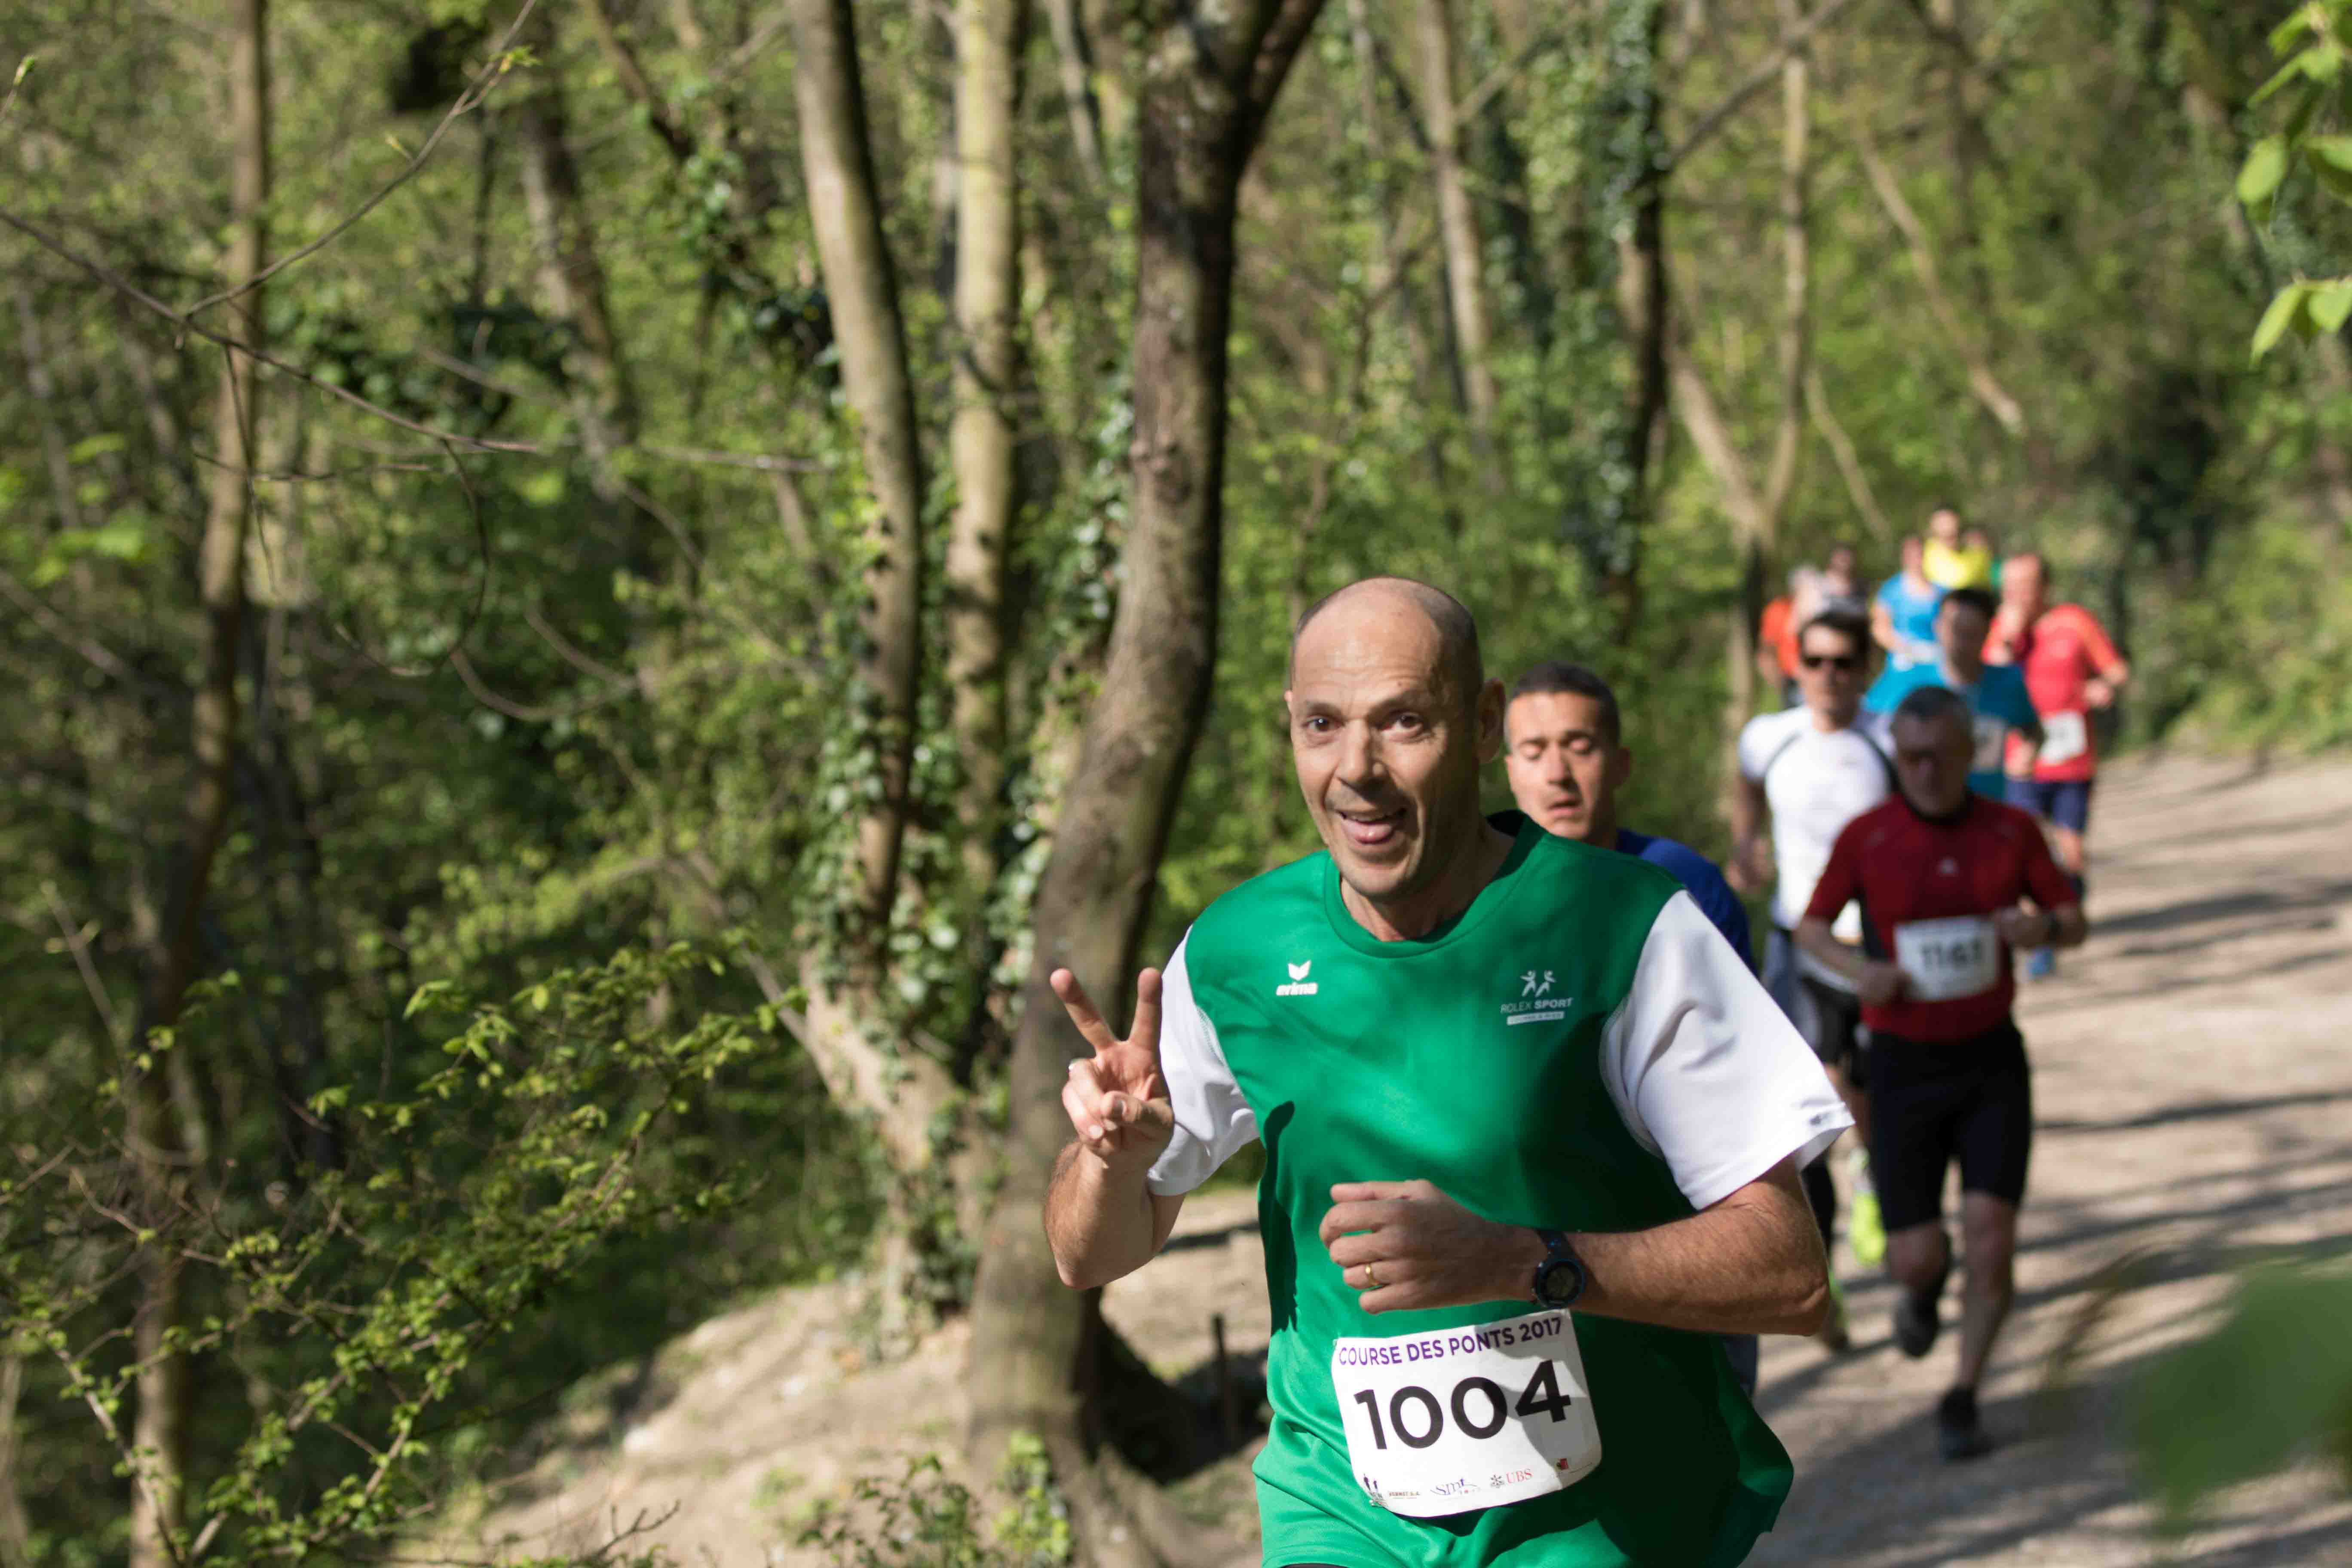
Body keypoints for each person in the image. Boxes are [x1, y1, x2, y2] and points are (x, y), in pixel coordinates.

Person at [1045, 578, 1850, 1568]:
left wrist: (1523, 1262)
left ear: (1480, 725)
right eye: (1321, 725)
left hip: (1597, 1523)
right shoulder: (1235, 953)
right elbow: (1087, 1258)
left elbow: (1790, 1276)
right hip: (1338, 1506)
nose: (1357, 769)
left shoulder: (1621, 926)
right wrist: (1108, 1162)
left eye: (1403, 723)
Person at [1796, 685, 2086, 1461]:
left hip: (1991, 1061)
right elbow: (1811, 928)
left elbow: (2074, 919)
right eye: (1911, 756)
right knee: (1914, 1256)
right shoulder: (1869, 835)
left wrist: (2042, 927)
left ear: (1968, 753)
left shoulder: (2010, 829)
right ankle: (1923, 1287)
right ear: (1898, 755)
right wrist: (1859, 971)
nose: (1925, 770)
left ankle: (1963, 1394)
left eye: (1940, 755)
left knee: (1992, 1239)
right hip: (1901, 1067)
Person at [1498, 659, 1765, 1394]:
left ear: (1619, 764)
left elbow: (1739, 1078)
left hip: (1681, 1233)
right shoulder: (1479, 902)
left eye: (1578, 746)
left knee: (1711, 1437)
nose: (1557, 772)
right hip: (1531, 1241)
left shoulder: (1681, 885)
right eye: (1534, 750)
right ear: (1509, 770)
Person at [1729, 607, 1893, 1306]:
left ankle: (1871, 1176)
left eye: (1842, 662)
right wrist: (1746, 844)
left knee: (1869, 1092)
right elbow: (1746, 786)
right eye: (1815, 661)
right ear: (1796, 666)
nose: (1827, 675)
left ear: (1865, 670)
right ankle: (1823, 1252)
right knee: (1812, 1091)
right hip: (1799, 939)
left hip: (1877, 943)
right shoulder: (1769, 736)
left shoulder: (1887, 738)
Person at [1984, 554, 2128, 977]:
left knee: (2071, 855)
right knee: (2026, 853)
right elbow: (1986, 680)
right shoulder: (1999, 629)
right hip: (2022, 762)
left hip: (2071, 760)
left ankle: (2067, 907)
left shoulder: (2074, 621)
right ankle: (2042, 943)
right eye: (2010, 586)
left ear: (2045, 586)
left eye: (2025, 585)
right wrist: (2009, 638)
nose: (2017, 594)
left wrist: (2101, 687)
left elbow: (2117, 671)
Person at [1865, 587, 2042, 800]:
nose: (1961, 641)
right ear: (1937, 627)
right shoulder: (1906, 680)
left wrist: (2027, 754)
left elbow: (2032, 729)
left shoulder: (2008, 682)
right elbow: (1867, 725)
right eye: (1955, 629)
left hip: (1985, 809)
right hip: (1920, 809)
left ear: (1988, 631)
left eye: (1970, 632)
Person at [1865, 536, 1944, 712]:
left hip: (1934, 662)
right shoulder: (1891, 591)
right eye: (1912, 554)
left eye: (1920, 554)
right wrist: (1905, 648)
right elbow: (1879, 628)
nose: (1917, 559)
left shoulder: (1940, 592)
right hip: (1903, 663)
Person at [1921, 505, 1993, 590]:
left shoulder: (1971, 552)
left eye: (1949, 522)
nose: (1947, 527)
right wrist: (1979, 554)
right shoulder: (1928, 554)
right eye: (1943, 524)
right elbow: (1959, 580)